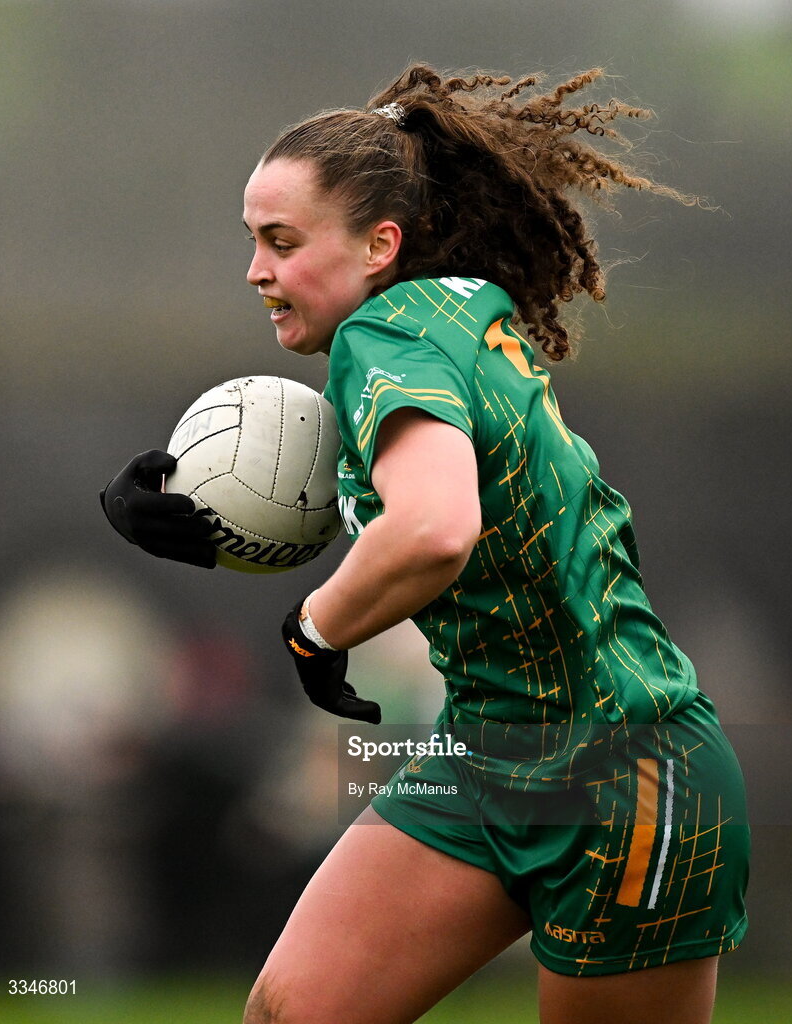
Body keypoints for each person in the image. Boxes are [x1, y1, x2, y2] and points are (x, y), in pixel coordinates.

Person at [101, 65, 749, 1024]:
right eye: (253, 242)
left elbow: (435, 529)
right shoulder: (443, 311)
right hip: (490, 750)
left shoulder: (383, 340)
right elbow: (414, 516)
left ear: (379, 244)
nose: (256, 270)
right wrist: (206, 516)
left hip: (622, 770)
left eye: (281, 242)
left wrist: (312, 631)